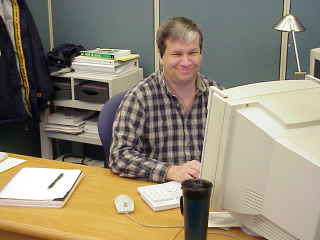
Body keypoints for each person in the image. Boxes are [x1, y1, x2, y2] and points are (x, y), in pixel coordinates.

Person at [109, 16, 219, 183]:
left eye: (192, 53)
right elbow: (119, 156)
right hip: (157, 192)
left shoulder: (217, 96)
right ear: (161, 56)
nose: (186, 62)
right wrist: (169, 171)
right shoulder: (140, 97)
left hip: (206, 193)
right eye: (176, 54)